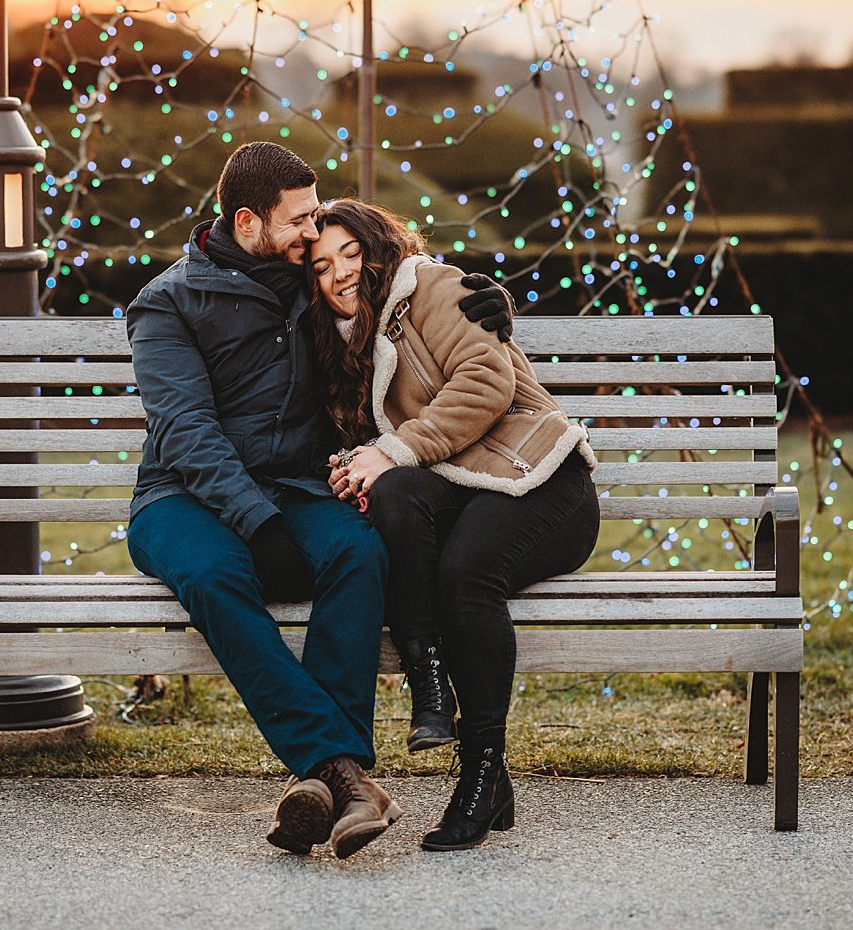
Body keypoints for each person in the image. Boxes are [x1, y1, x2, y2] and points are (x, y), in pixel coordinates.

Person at [124, 143, 514, 858]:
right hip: (181, 497)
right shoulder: (167, 302)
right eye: (298, 218)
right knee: (216, 575)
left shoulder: (308, 279)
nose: (313, 232)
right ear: (247, 221)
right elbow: (185, 430)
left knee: (359, 551)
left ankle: (321, 785)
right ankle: (342, 773)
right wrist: (254, 519)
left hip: (295, 489)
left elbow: (400, 282)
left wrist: (480, 297)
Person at [307, 198, 601, 852]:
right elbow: (381, 453)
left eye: (351, 253)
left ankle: (482, 773)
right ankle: (427, 678)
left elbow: (486, 381)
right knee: (395, 495)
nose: (340, 273)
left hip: (543, 479)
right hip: (465, 490)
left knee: (466, 571)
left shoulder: (431, 287)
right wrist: (353, 462)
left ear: (379, 246)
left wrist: (393, 450)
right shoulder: (343, 346)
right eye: (322, 264)